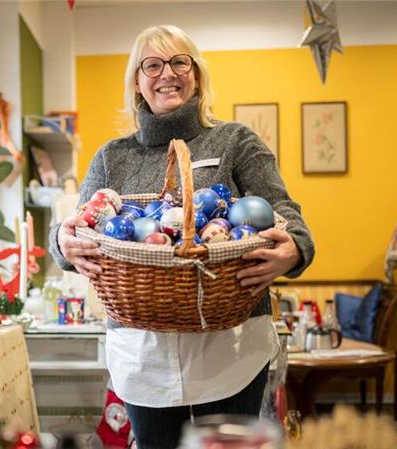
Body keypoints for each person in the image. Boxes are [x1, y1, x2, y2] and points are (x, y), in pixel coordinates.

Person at [48, 25, 315, 449]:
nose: (166, 73)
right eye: (151, 64)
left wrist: (297, 247)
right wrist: (62, 239)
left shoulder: (235, 141)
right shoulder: (111, 157)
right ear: (137, 81)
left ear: (197, 75)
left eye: (178, 62)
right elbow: (76, 228)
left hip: (232, 339)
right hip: (143, 347)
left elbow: (283, 214)